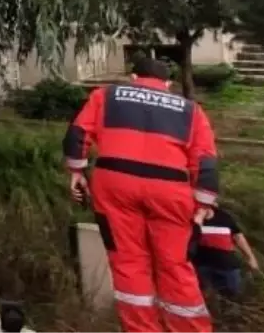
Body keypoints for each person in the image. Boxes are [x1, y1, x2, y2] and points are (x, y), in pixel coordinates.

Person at [64, 57, 220, 333]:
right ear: (168, 84)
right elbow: (206, 161)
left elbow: (77, 134)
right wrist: (203, 203)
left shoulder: (106, 95)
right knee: (175, 265)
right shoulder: (190, 110)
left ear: (133, 78)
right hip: (170, 191)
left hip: (115, 185)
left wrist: (77, 172)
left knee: (128, 262)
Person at [191, 205, 259, 299]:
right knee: (205, 295)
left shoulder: (224, 217)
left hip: (227, 266)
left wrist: (251, 257)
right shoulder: (191, 219)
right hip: (202, 266)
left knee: (233, 295)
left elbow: (238, 237)